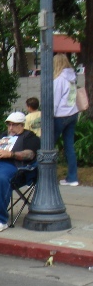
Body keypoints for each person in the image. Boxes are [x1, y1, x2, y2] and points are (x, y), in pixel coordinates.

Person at [53, 53, 80, 186]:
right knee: (69, 146)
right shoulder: (72, 78)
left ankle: (40, 175)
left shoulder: (59, 80)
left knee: (47, 146)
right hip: (73, 113)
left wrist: (49, 117)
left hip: (60, 115)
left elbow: (55, 101)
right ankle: (72, 178)